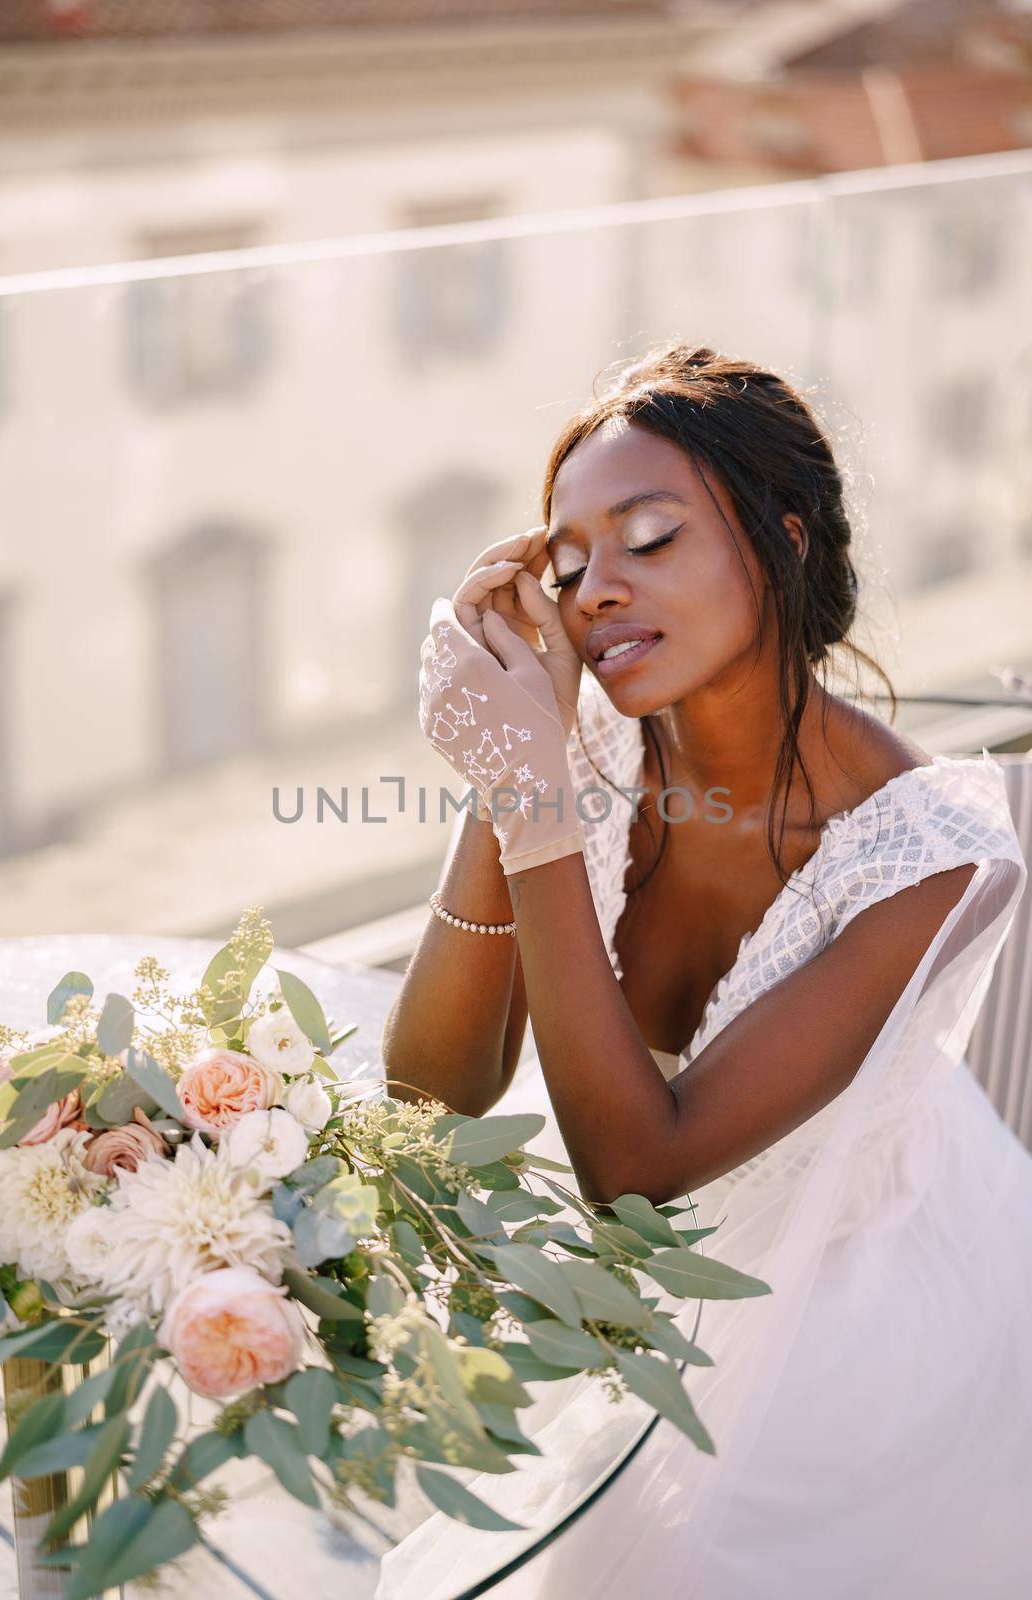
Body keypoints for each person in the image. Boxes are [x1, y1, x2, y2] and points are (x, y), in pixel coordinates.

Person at [377, 344, 1032, 1599]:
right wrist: (514, 765)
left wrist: (532, 805)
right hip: (634, 1307)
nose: (597, 590)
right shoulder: (583, 757)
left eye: (649, 539)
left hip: (859, 1346)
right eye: (566, 566)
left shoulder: (934, 853)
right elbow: (433, 1091)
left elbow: (640, 1171)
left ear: (780, 538)